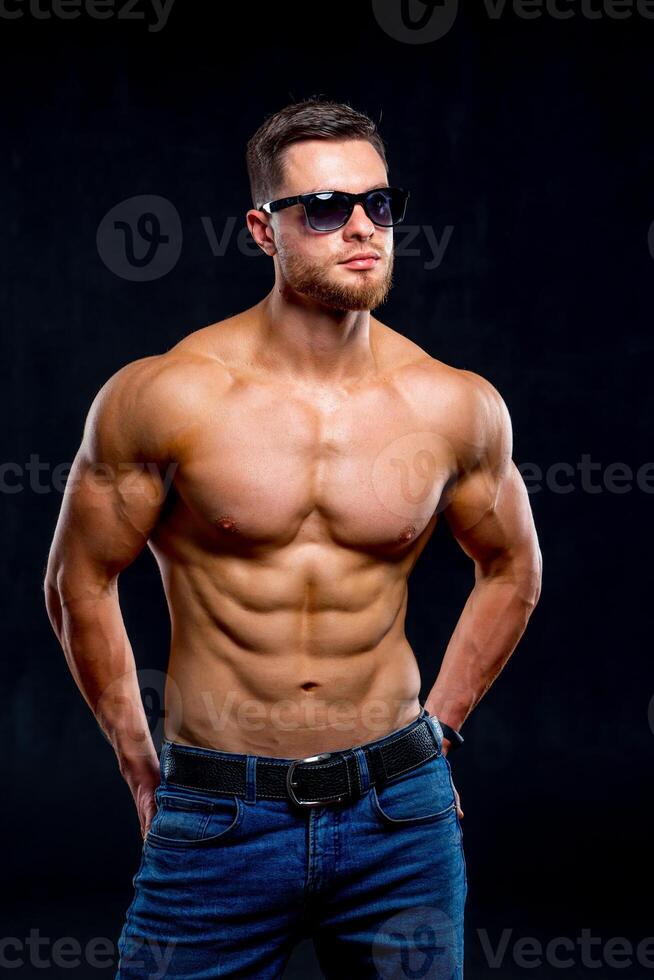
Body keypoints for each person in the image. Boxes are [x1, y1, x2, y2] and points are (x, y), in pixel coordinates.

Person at [44, 96, 542, 979]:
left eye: (378, 204)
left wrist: (440, 735)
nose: (360, 227)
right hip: (220, 814)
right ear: (261, 230)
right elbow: (77, 584)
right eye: (323, 208)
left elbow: (512, 569)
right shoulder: (168, 395)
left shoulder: (452, 402)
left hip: (399, 817)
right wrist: (139, 764)